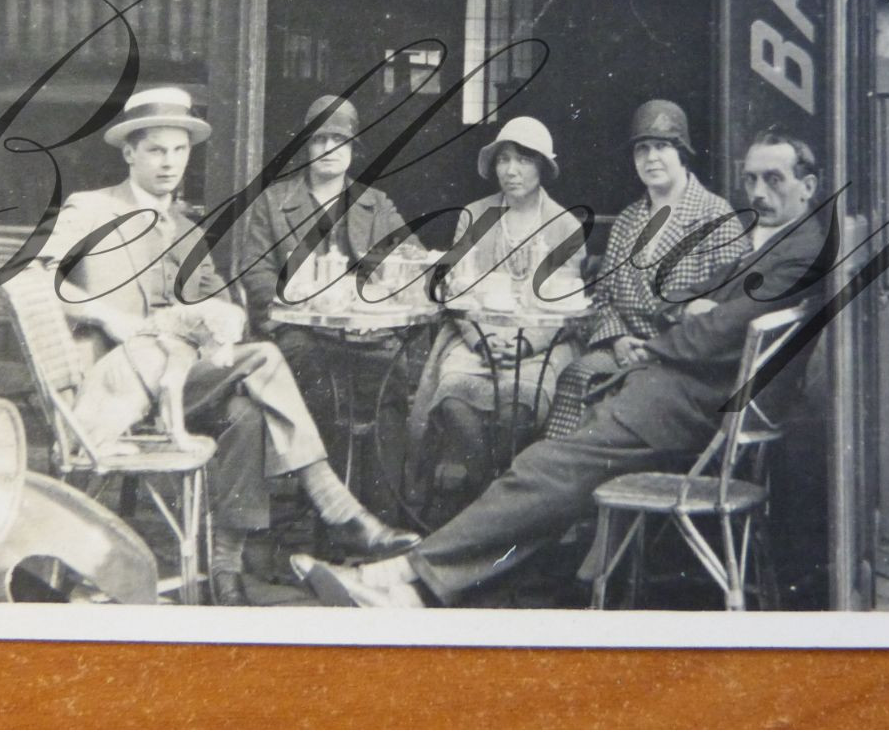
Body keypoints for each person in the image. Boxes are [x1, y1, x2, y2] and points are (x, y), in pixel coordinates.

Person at [290, 129, 829, 609]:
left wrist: (661, 343)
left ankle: (404, 571)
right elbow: (701, 305)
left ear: (809, 184)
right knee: (557, 479)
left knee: (545, 467)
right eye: (752, 179)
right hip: (688, 395)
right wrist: (691, 308)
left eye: (774, 179)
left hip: (692, 405)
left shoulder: (800, 249)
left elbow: (721, 330)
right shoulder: (777, 237)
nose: (758, 193)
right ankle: (419, 586)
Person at [39, 86, 417, 606]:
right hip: (115, 386)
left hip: (179, 382)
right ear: (129, 152)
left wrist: (226, 316)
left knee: (249, 411)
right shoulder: (90, 209)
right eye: (155, 150)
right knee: (265, 358)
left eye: (179, 150)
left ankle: (224, 570)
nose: (170, 163)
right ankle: (336, 504)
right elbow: (43, 285)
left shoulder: (188, 228)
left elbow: (218, 301)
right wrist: (106, 314)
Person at [406, 116, 587, 520]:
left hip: (542, 340)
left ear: (542, 166)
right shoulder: (473, 216)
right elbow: (454, 291)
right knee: (453, 398)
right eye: (504, 160)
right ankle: (493, 503)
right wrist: (480, 339)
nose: (511, 170)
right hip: (473, 337)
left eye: (523, 160)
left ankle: (488, 512)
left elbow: (564, 306)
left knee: (517, 408)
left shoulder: (565, 227)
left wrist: (525, 342)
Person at [542, 99, 749, 438]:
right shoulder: (627, 221)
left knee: (626, 399)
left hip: (683, 364)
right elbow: (603, 299)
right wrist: (620, 338)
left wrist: (657, 350)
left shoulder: (716, 217)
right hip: (622, 353)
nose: (651, 158)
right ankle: (568, 480)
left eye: (662, 146)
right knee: (577, 375)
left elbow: (725, 317)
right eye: (642, 149)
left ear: (682, 152)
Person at [235, 95, 409, 491]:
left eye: (339, 141)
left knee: (392, 376)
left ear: (353, 149)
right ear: (306, 148)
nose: (329, 150)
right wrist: (294, 302)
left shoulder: (374, 204)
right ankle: (327, 506)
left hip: (368, 335)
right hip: (300, 334)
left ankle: (384, 506)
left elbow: (408, 262)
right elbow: (255, 271)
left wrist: (379, 303)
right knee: (318, 379)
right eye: (319, 140)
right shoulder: (275, 202)